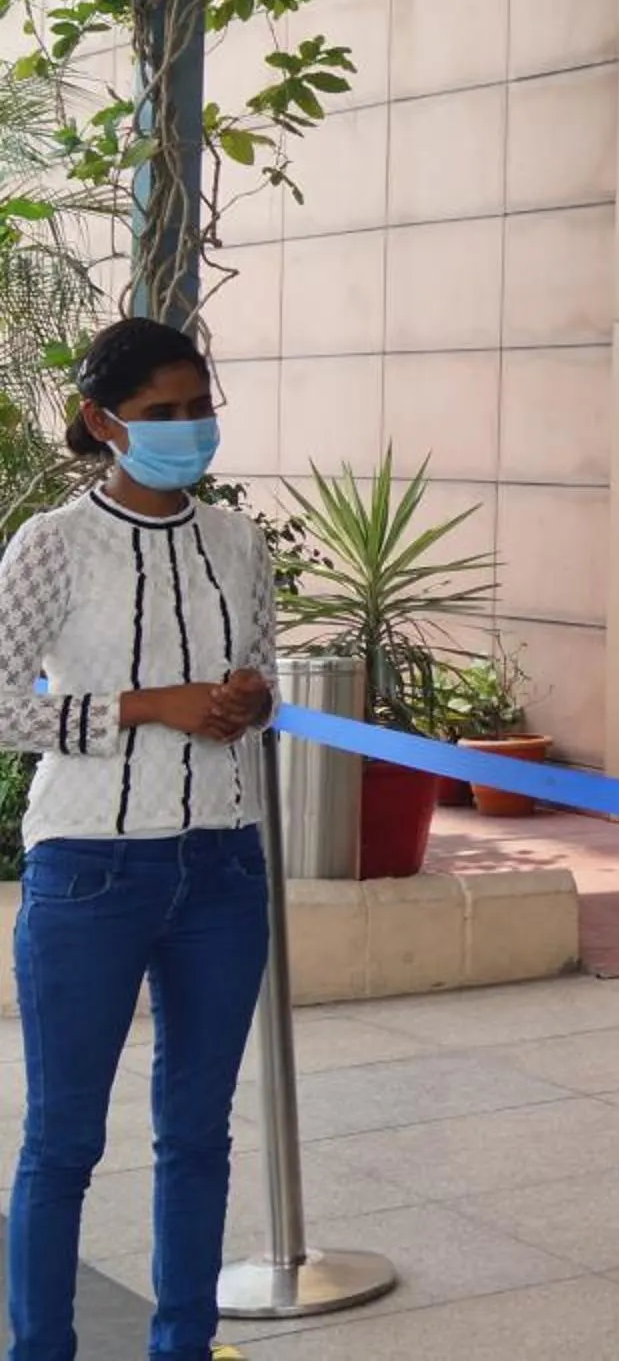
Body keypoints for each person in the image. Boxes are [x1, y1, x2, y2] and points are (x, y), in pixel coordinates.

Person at [1, 318, 272, 1361]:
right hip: (89, 868)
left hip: (223, 866)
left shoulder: (237, 541)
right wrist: (143, 704)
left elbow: (258, 676)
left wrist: (249, 699)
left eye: (201, 407)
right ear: (102, 421)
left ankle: (182, 1345)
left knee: (198, 1137)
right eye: (164, 413)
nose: (190, 429)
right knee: (62, 1141)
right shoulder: (52, 544)